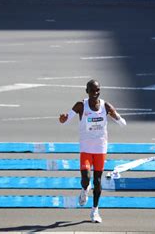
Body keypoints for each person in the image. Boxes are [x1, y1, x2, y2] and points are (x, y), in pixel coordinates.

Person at [59, 79, 126, 223]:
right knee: (85, 179)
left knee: (97, 181)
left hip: (100, 148)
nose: (95, 93)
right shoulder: (81, 106)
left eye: (97, 90)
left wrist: (119, 119)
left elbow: (117, 116)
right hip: (86, 147)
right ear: (87, 91)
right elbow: (67, 117)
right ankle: (84, 190)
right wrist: (63, 118)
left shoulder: (105, 106)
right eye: (92, 90)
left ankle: (95, 211)